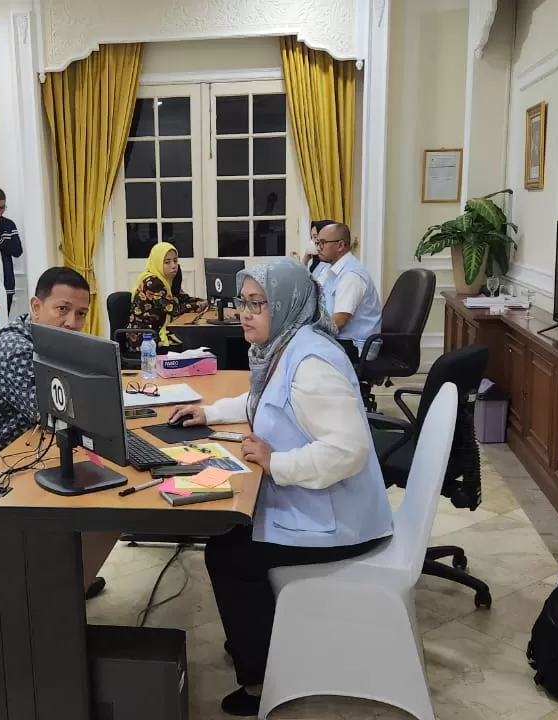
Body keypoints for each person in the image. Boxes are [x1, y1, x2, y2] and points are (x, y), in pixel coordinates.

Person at [168, 257, 393, 716]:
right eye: (242, 302)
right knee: (230, 533)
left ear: (287, 304)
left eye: (257, 303)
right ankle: (254, 637)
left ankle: (260, 681)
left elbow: (348, 451)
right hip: (318, 499)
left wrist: (276, 463)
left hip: (341, 520)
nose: (244, 313)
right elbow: (262, 400)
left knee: (228, 553)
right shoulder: (287, 344)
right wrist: (209, 412)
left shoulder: (310, 364)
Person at [0, 266, 116, 599]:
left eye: (81, 314)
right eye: (62, 309)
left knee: (89, 488)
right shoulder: (17, 349)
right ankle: (50, 598)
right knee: (87, 500)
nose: (71, 322)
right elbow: (55, 416)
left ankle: (66, 585)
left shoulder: (45, 341)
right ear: (36, 307)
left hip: (6, 460)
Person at [312, 222, 382, 362]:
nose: (318, 247)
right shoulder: (328, 269)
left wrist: (309, 332)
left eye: (323, 243)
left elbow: (339, 321)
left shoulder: (351, 275)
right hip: (340, 339)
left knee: (301, 351)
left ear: (340, 245)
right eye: (317, 242)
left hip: (357, 346)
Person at [126, 241, 207, 351]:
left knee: (195, 339)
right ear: (157, 263)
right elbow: (173, 309)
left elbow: (182, 299)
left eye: (175, 261)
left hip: (158, 331)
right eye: (167, 262)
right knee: (192, 342)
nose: (173, 266)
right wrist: (200, 305)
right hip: (145, 339)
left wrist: (205, 301)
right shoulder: (152, 282)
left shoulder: (168, 280)